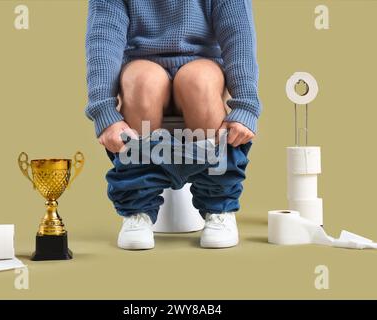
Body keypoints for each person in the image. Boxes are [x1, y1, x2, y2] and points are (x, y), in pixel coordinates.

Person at [85, 0, 262, 250]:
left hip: (201, 68)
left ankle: (218, 207)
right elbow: (103, 39)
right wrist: (103, 111)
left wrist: (245, 105)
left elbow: (238, 35)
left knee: (198, 81)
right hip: (142, 69)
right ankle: (138, 209)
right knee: (143, 80)